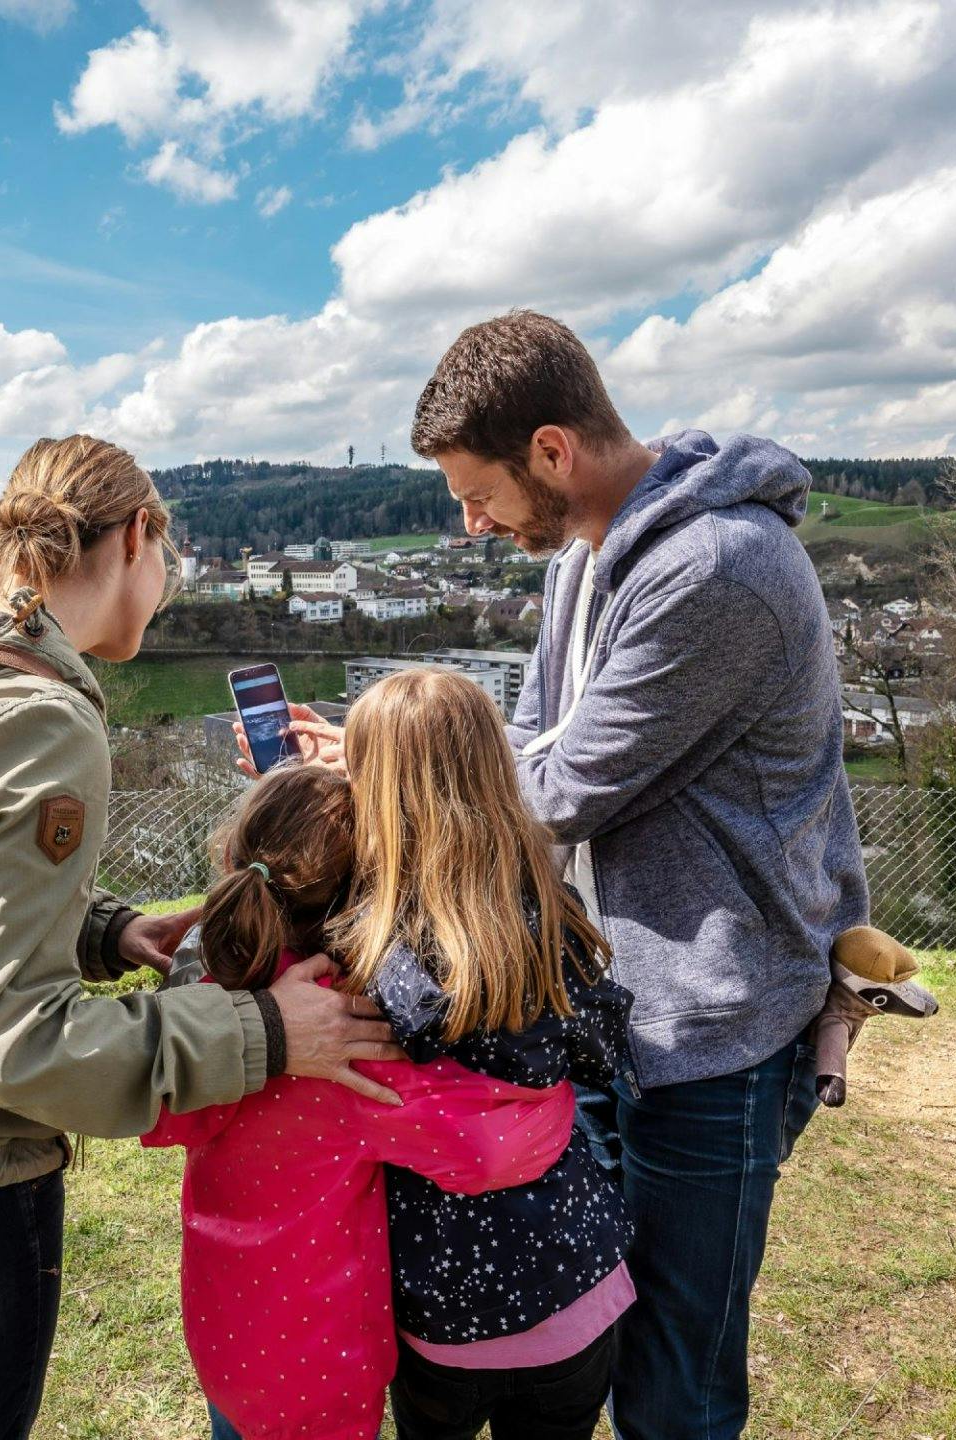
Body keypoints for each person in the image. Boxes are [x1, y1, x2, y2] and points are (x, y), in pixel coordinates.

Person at [261, 313, 869, 1439]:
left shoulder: (719, 570)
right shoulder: (583, 561)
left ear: (551, 450)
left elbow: (556, 791)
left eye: (473, 490)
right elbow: (526, 741)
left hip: (716, 1028)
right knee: (588, 1325)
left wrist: (391, 764)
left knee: (674, 1379)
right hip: (603, 1006)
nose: (470, 520)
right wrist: (422, 759)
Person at [0, 434, 404, 1440]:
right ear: (141, 536)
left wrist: (108, 932)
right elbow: (9, 1043)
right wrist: (264, 1032)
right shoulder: (34, 717)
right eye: (166, 555)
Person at [144, 761, 579, 1440]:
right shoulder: (348, 1032)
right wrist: (557, 1101)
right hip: (324, 1353)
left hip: (222, 1324)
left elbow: (164, 1113)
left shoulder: (212, 1007)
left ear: (231, 857)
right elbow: (480, 1153)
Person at [337, 668, 637, 1440]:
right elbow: (602, 1050)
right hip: (576, 1293)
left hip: (442, 1308)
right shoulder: (549, 911)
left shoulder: (370, 938)